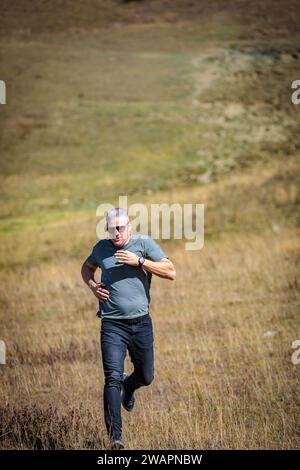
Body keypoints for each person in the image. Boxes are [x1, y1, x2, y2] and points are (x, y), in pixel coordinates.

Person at [81, 208, 176, 449]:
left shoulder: (143, 244)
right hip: (112, 324)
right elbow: (87, 268)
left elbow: (171, 271)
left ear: (129, 227)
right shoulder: (101, 248)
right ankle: (115, 438)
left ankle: (130, 386)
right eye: (112, 229)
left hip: (141, 323)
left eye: (121, 228)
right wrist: (93, 286)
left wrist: (140, 262)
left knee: (146, 376)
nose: (116, 233)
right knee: (111, 378)